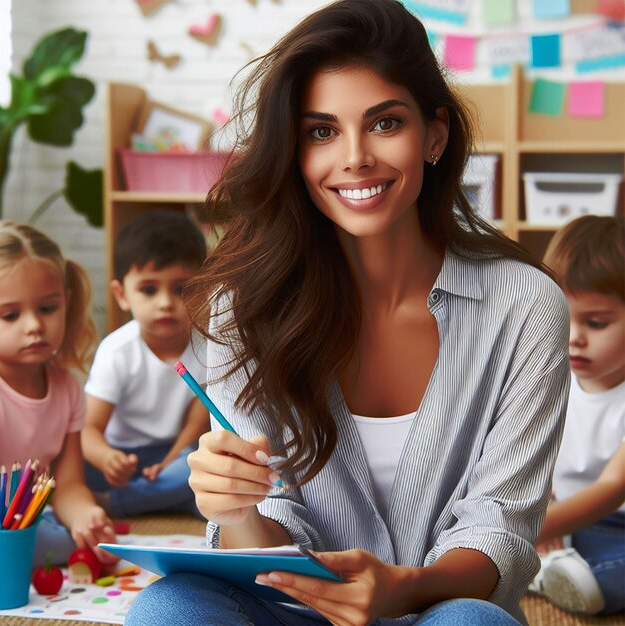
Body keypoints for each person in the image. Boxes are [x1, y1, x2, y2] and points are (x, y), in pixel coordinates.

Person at [126, 1, 570, 625]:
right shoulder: (242, 310)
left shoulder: (525, 305)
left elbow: (501, 524)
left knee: (474, 623)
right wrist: (236, 513)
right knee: (167, 607)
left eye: (385, 124)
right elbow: (270, 537)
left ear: (434, 135)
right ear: (296, 150)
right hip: (292, 605)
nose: (355, 157)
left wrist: (404, 587)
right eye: (322, 131)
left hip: (437, 609)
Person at [0, 221, 118, 568]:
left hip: (28, 520)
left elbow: (66, 485)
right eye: (10, 315)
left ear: (66, 302)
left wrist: (86, 516)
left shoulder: (67, 388)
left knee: (81, 544)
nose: (34, 325)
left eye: (47, 308)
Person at [81, 210, 209, 518]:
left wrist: (169, 461)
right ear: (121, 294)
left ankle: (121, 502)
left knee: (199, 471)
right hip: (120, 459)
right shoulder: (117, 351)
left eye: (180, 288)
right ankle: (149, 497)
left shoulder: (207, 348)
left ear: (203, 288)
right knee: (79, 470)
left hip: (173, 454)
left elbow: (197, 424)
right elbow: (89, 430)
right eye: (149, 289)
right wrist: (107, 458)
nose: (165, 302)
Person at [530, 215, 624, 616]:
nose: (574, 337)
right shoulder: (549, 373)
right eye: (563, 316)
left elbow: (614, 486)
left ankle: (548, 570)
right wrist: (540, 508)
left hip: (614, 525)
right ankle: (549, 566)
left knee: (615, 572)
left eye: (596, 323)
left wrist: (536, 528)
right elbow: (529, 451)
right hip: (560, 517)